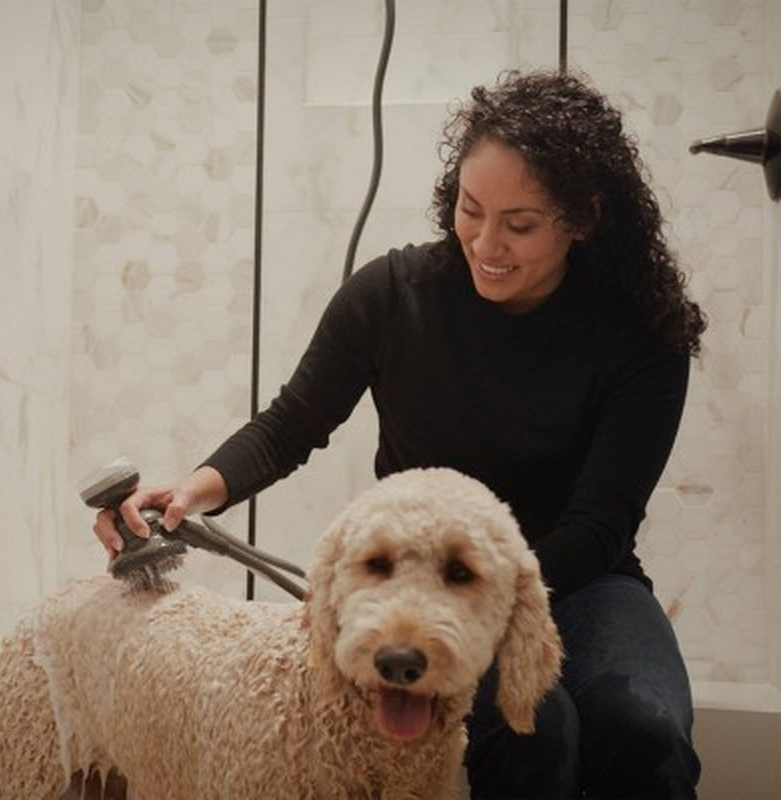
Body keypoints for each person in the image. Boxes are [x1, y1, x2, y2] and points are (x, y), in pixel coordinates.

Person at [94, 69, 705, 799]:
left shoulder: (643, 337)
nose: (486, 242)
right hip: (418, 583)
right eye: (470, 210)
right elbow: (292, 422)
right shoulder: (391, 298)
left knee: (643, 730)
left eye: (521, 224)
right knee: (537, 734)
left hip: (582, 579)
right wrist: (190, 493)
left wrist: (485, 597)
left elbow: (601, 524)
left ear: (584, 217)